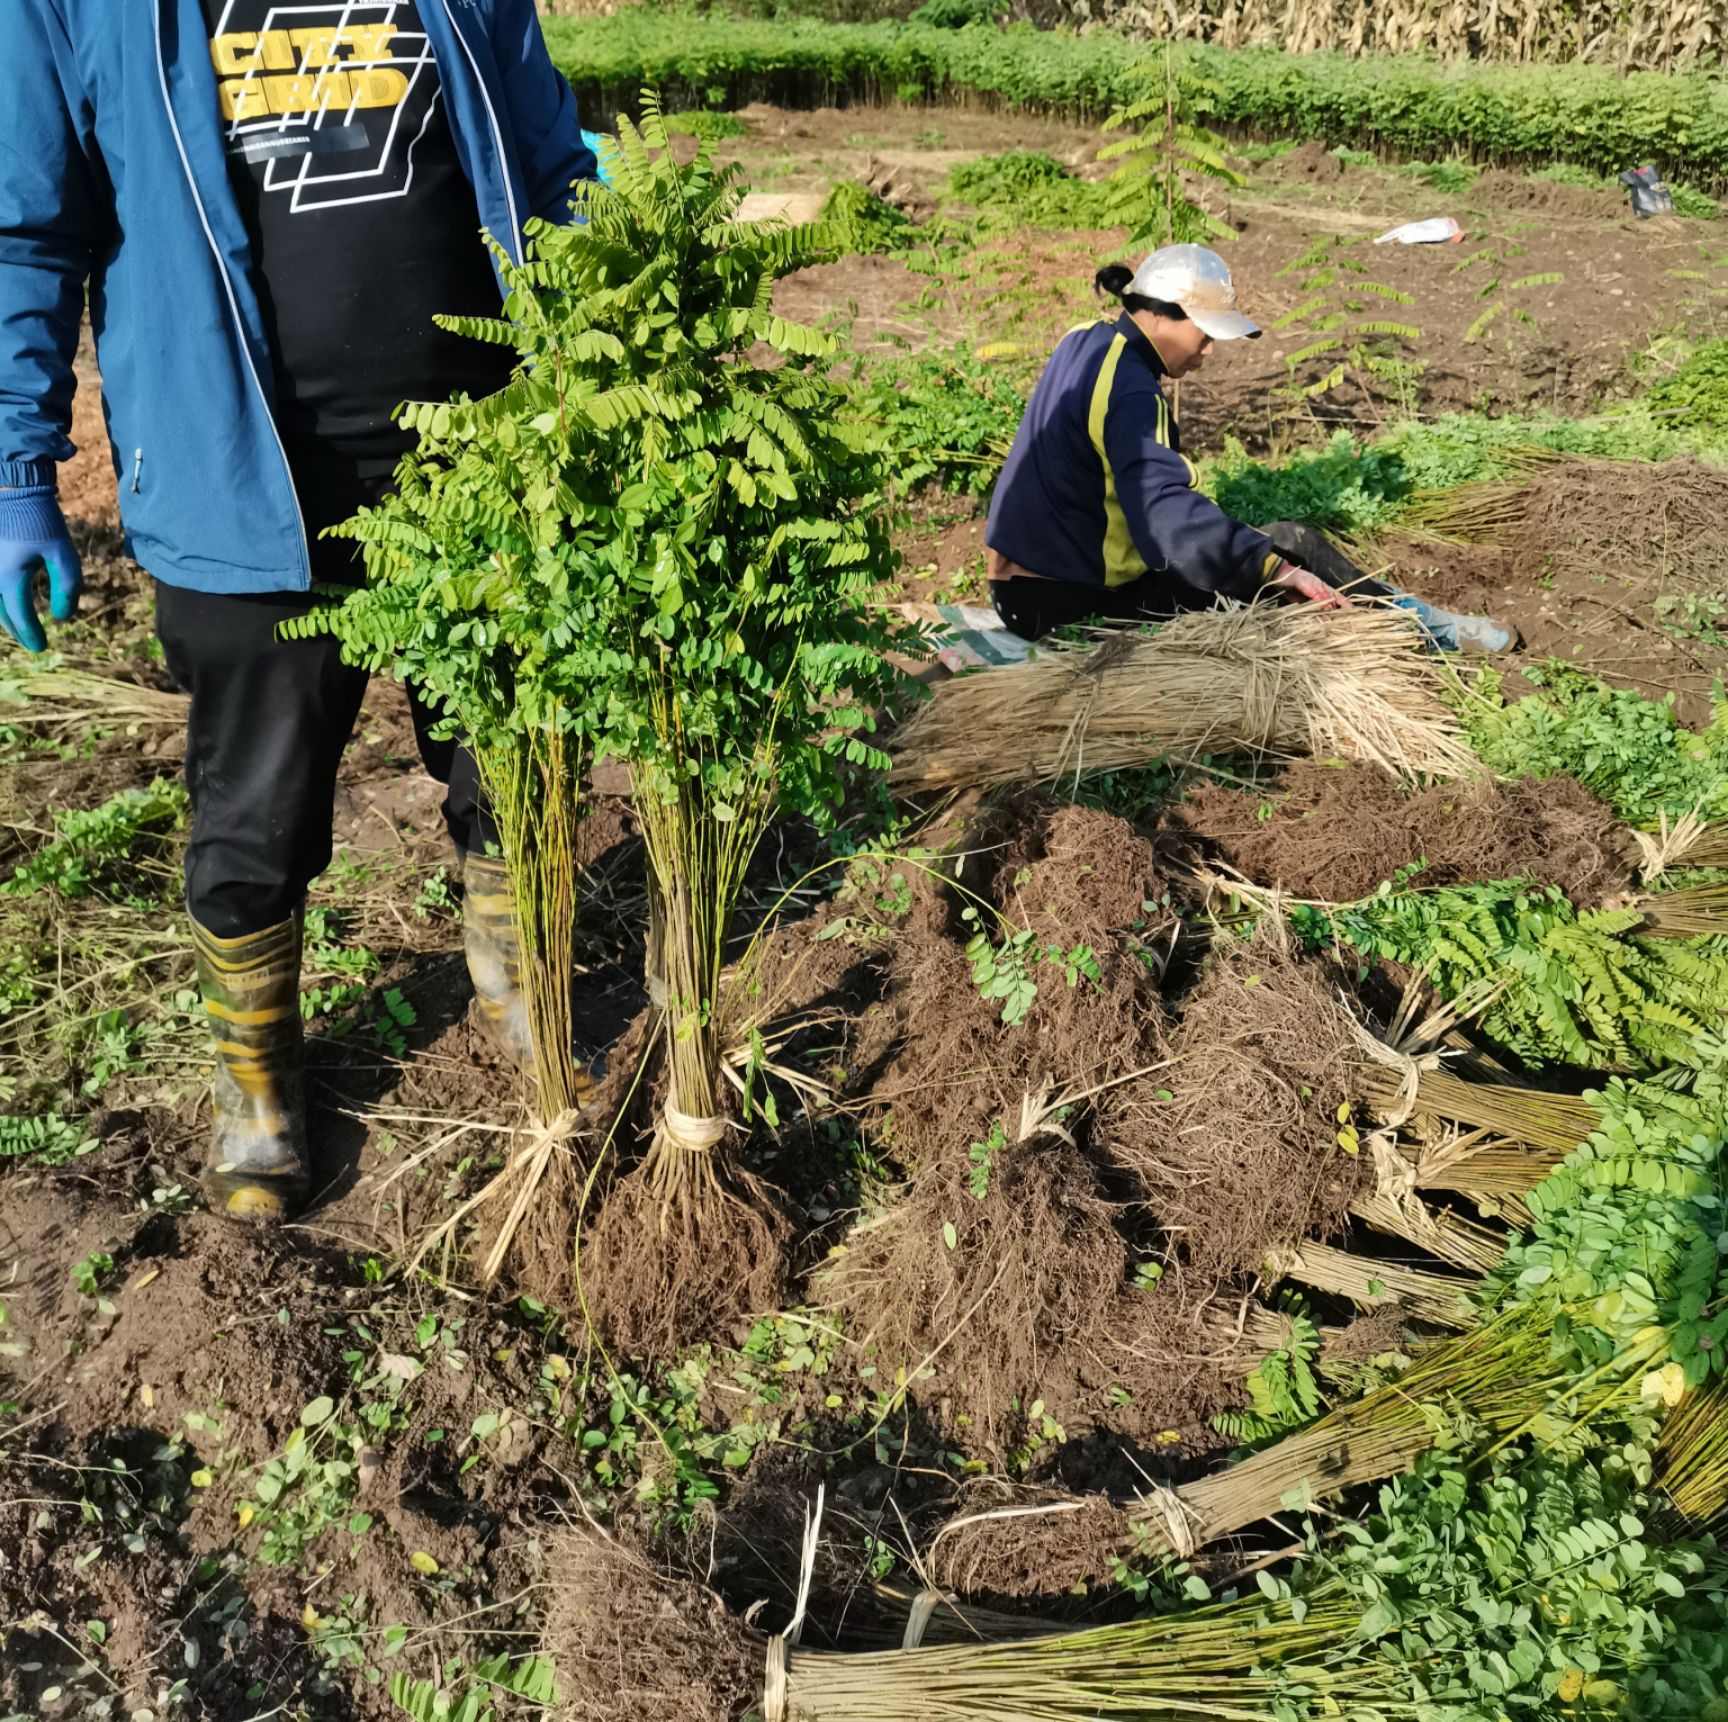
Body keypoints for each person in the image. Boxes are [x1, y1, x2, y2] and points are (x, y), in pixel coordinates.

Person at [0, 2, 600, 1222]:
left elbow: (552, 169)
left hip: (488, 479)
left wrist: (611, 360)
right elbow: (25, 230)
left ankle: (516, 982)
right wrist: (18, 478)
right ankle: (259, 1084)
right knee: (255, 817)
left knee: (520, 759)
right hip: (242, 496)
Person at [985, 243, 1513, 653]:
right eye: (1205, 334)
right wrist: (1274, 568)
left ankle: (1408, 623)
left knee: (1251, 555)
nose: (1208, 352)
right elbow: (1166, 518)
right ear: (1165, 313)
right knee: (1290, 543)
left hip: (1020, 589)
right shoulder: (1131, 389)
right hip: (1070, 608)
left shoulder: (1085, 338)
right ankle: (1428, 631)